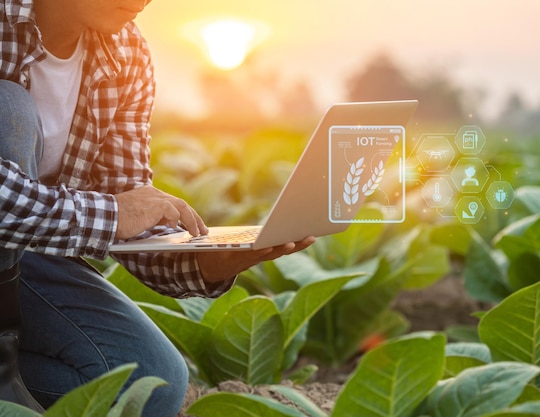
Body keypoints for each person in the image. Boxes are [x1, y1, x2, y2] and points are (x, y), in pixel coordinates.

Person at [0, 1, 315, 416]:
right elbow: (116, 213)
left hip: (24, 260)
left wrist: (208, 261)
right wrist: (114, 214)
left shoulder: (126, 50)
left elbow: (128, 198)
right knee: (10, 109)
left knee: (150, 382)